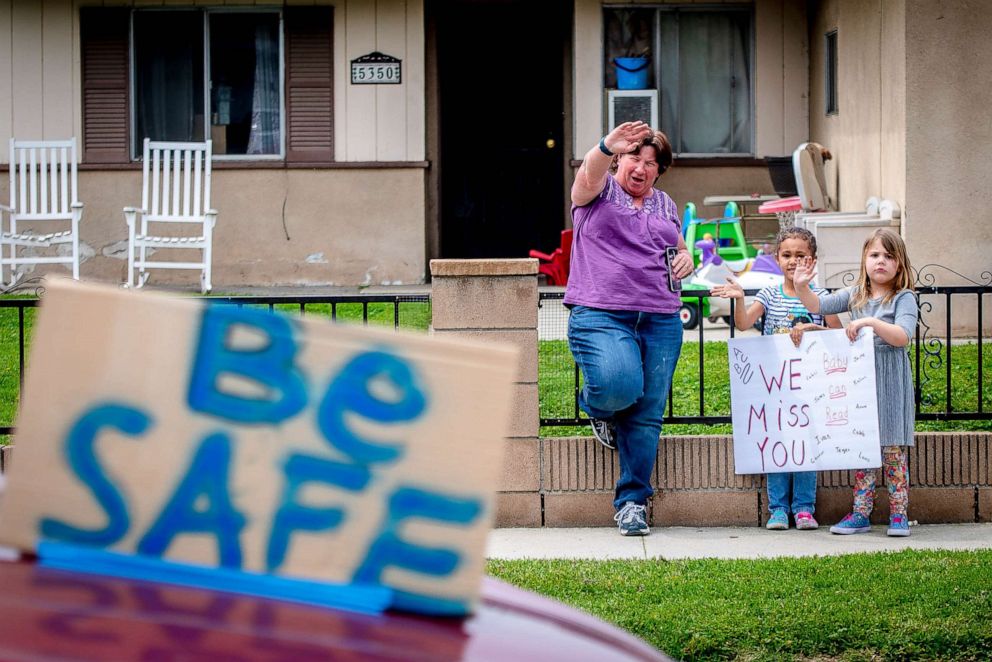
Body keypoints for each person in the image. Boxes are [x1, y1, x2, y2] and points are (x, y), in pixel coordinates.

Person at [564, 121, 693, 536]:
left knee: (647, 412)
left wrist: (687, 258)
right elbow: (584, 179)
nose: (642, 168)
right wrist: (604, 146)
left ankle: (633, 502)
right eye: (635, 158)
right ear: (620, 159)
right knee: (620, 386)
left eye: (651, 163)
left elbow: (677, 245)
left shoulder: (666, 204)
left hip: (660, 316)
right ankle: (598, 409)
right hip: (601, 312)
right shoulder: (599, 191)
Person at [712, 226, 841, 531]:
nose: (793, 261)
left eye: (801, 255)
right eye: (787, 255)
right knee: (778, 445)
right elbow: (744, 324)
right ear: (777, 258)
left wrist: (813, 330)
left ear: (813, 260)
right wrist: (740, 299)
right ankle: (779, 509)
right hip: (774, 385)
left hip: (811, 386)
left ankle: (805, 508)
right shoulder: (769, 294)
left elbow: (839, 334)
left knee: (807, 444)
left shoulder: (822, 298)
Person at [792, 227, 918, 537]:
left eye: (889, 257)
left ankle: (898, 514)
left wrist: (870, 322)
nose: (880, 262)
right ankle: (860, 513)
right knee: (863, 448)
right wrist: (802, 286)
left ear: (899, 264)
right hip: (860, 383)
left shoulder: (904, 298)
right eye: (874, 255)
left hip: (890, 382)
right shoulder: (856, 294)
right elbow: (818, 306)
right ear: (864, 260)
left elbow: (902, 336)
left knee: (892, 451)